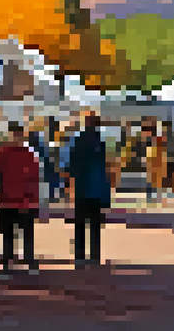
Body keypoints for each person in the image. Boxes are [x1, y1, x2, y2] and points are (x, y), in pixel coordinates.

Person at [0, 122, 41, 276]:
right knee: (11, 234)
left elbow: (34, 178)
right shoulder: (11, 153)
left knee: (18, 234)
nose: (16, 137)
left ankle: (23, 262)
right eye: (15, 134)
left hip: (18, 200)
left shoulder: (24, 153)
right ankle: (11, 263)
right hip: (11, 200)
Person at [68, 112, 111, 267]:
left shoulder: (79, 140)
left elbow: (72, 164)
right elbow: (104, 166)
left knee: (80, 224)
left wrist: (71, 181)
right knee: (94, 225)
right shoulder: (100, 142)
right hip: (96, 189)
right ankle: (94, 256)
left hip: (81, 187)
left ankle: (79, 256)